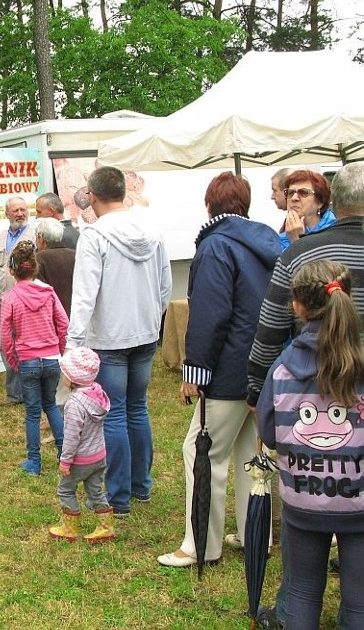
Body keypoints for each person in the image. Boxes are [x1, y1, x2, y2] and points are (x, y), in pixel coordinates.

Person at [247, 161, 364, 630]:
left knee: (299, 588)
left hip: (305, 495)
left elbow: (269, 330)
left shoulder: (301, 253)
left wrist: (260, 389)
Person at [157, 172, 281, 568]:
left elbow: (210, 316)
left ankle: (200, 545)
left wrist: (195, 374)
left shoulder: (216, 247)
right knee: (249, 454)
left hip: (230, 370)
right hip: (263, 365)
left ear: (210, 204)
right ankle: (254, 535)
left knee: (201, 451)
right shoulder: (267, 244)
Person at [66, 166, 171, 518]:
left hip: (109, 337)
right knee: (137, 409)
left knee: (113, 415)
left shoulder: (94, 236)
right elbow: (165, 285)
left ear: (92, 197)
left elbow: (83, 295)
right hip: (143, 332)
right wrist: (154, 321)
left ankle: (120, 497)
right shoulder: (152, 230)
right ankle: (140, 486)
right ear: (123, 192)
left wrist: (73, 346)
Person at [0, 241, 67, 475]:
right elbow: (63, 324)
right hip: (51, 359)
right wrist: (59, 349)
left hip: (27, 361)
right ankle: (64, 455)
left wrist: (13, 359)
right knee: (51, 405)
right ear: (35, 268)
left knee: (32, 412)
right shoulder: (49, 294)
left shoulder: (11, 298)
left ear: (12, 270)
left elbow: (6, 336)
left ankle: (34, 462)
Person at [48, 346, 114, 543]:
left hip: (80, 459)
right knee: (95, 491)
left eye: (64, 372)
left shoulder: (75, 404)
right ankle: (106, 527)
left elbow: (71, 437)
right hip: (99, 455)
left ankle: (69, 528)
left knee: (65, 489)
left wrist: (65, 461)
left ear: (72, 378)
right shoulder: (97, 394)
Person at [0, 197, 37, 405]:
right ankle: (14, 394)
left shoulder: (35, 236)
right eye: (15, 210)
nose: (20, 213)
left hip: (28, 303)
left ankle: (31, 393)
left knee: (29, 346)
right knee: (9, 346)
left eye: (23, 209)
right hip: (5, 302)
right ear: (6, 214)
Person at [278, 169, 336, 250]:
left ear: (320, 202)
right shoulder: (278, 240)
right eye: (290, 192)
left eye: (303, 193)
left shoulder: (335, 232)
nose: (294, 198)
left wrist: (297, 240)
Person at [34, 217, 75, 317]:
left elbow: (37, 294)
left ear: (41, 238)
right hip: (74, 315)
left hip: (51, 317)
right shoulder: (75, 255)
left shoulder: (38, 259)